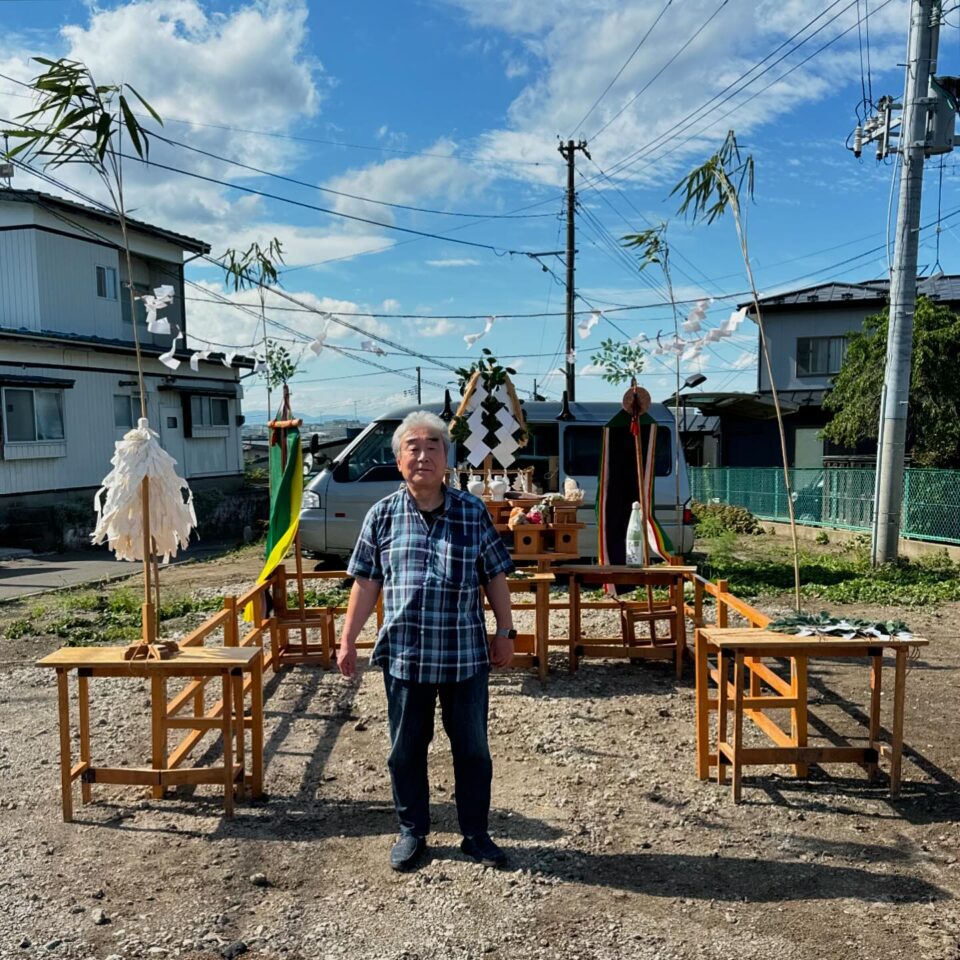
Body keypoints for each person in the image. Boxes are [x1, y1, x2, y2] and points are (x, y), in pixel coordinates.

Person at [337, 410, 516, 872]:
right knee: (405, 750)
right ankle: (412, 830)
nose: (422, 455)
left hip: (465, 655)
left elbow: (495, 575)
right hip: (406, 656)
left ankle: (475, 833)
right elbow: (366, 583)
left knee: (473, 749)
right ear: (399, 460)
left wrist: (505, 631)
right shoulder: (382, 516)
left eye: (432, 446)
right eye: (412, 447)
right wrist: (347, 639)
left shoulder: (472, 511)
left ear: (446, 459)